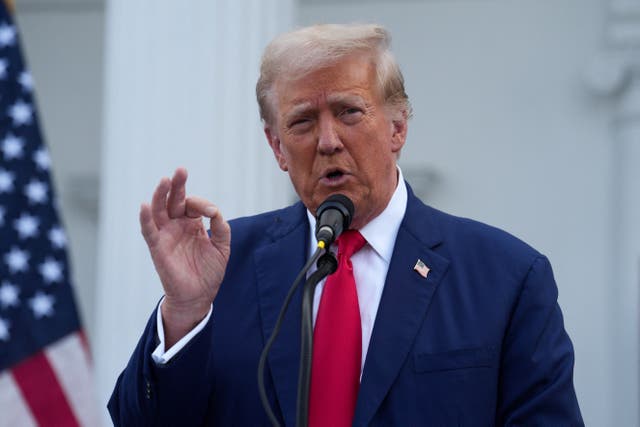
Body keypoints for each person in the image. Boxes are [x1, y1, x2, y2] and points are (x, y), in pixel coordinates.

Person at [108, 24, 583, 426]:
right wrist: (185, 313)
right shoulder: (223, 263)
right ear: (277, 148)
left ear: (398, 127)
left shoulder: (505, 277)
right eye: (302, 122)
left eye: (349, 112)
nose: (328, 141)